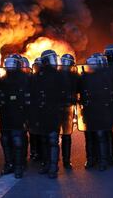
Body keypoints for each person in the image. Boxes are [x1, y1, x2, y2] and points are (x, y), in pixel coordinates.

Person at [29, 50, 73, 178]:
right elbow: (33, 94)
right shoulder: (37, 75)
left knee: (53, 140)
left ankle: (53, 167)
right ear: (46, 61)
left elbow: (66, 93)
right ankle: (47, 164)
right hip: (42, 112)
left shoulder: (60, 75)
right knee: (44, 139)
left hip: (54, 112)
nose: (55, 61)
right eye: (53, 58)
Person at [0, 54, 30, 178]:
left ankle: (19, 165)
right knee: (6, 140)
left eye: (13, 63)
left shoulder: (27, 79)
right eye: (9, 63)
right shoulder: (0, 81)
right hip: (5, 114)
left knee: (18, 140)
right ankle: (9, 164)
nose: (10, 66)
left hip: (19, 115)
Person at [59, 54, 78, 169]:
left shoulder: (73, 76)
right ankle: (65, 161)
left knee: (63, 135)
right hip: (61, 108)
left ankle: (62, 161)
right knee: (65, 135)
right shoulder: (73, 75)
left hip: (65, 108)